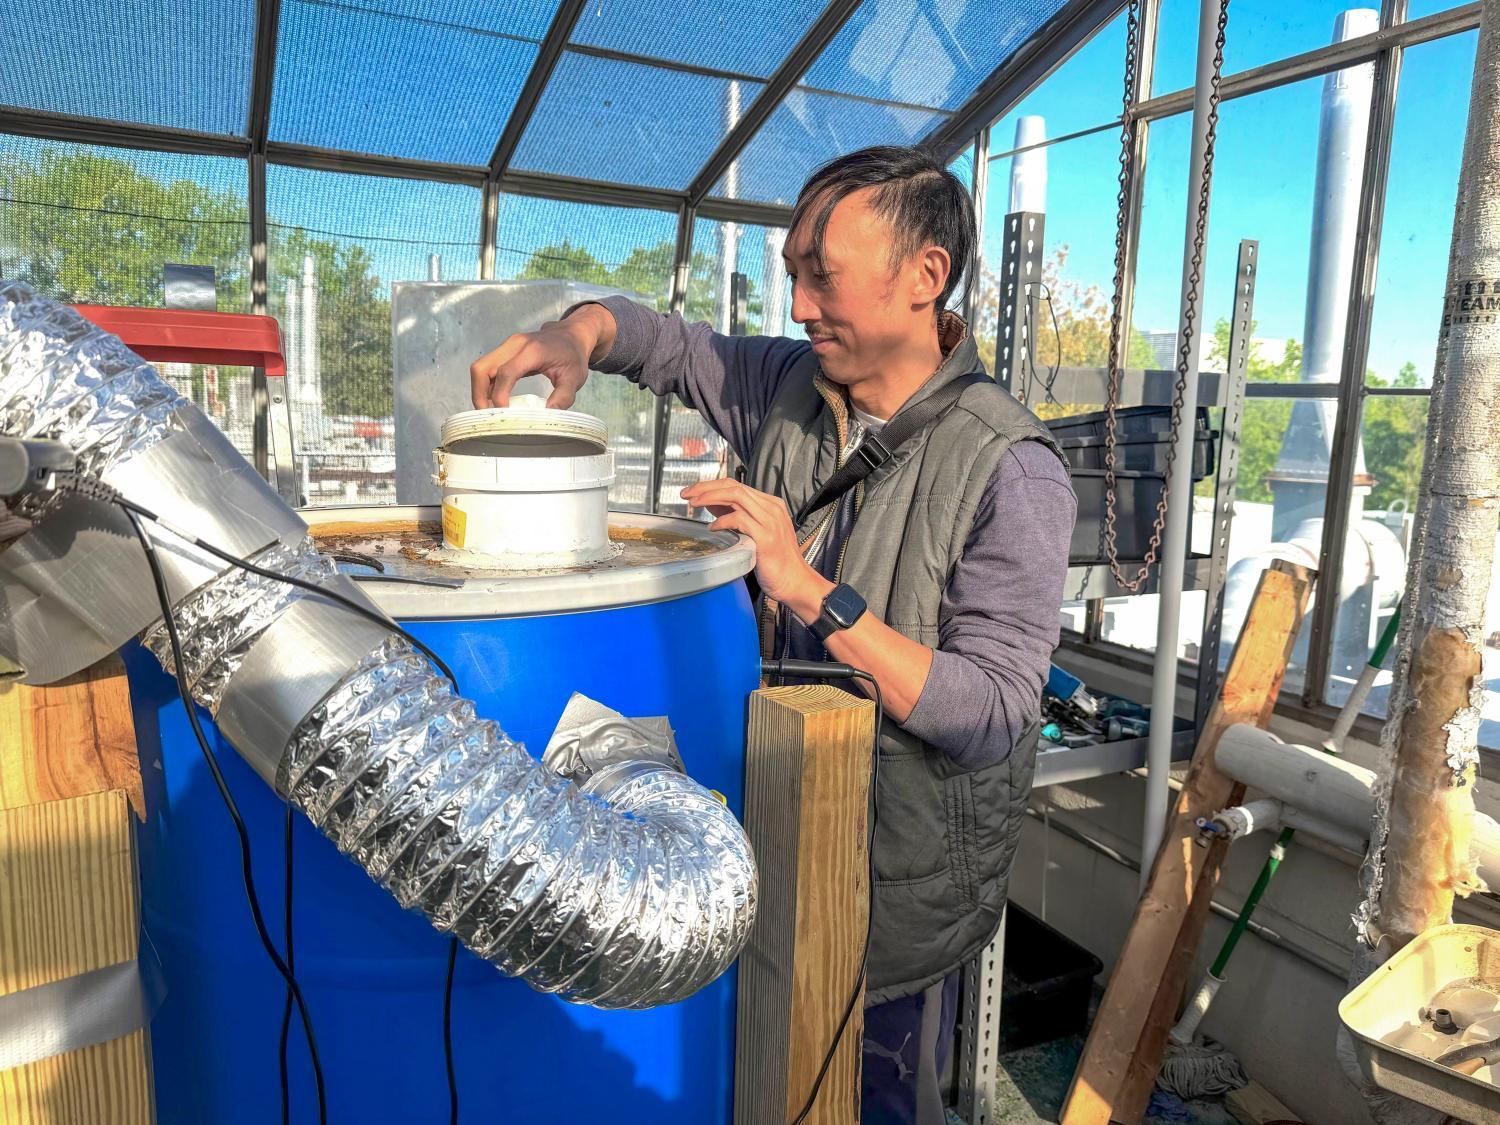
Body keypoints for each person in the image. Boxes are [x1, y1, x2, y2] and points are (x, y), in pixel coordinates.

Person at [470, 144, 1076, 1124]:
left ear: (924, 276)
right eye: (792, 272)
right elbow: (659, 342)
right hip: (761, 851)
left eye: (820, 275)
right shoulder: (789, 385)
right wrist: (573, 333)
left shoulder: (1012, 468)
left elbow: (993, 714)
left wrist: (806, 588)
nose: (797, 306)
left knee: (866, 1099)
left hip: (892, 910)